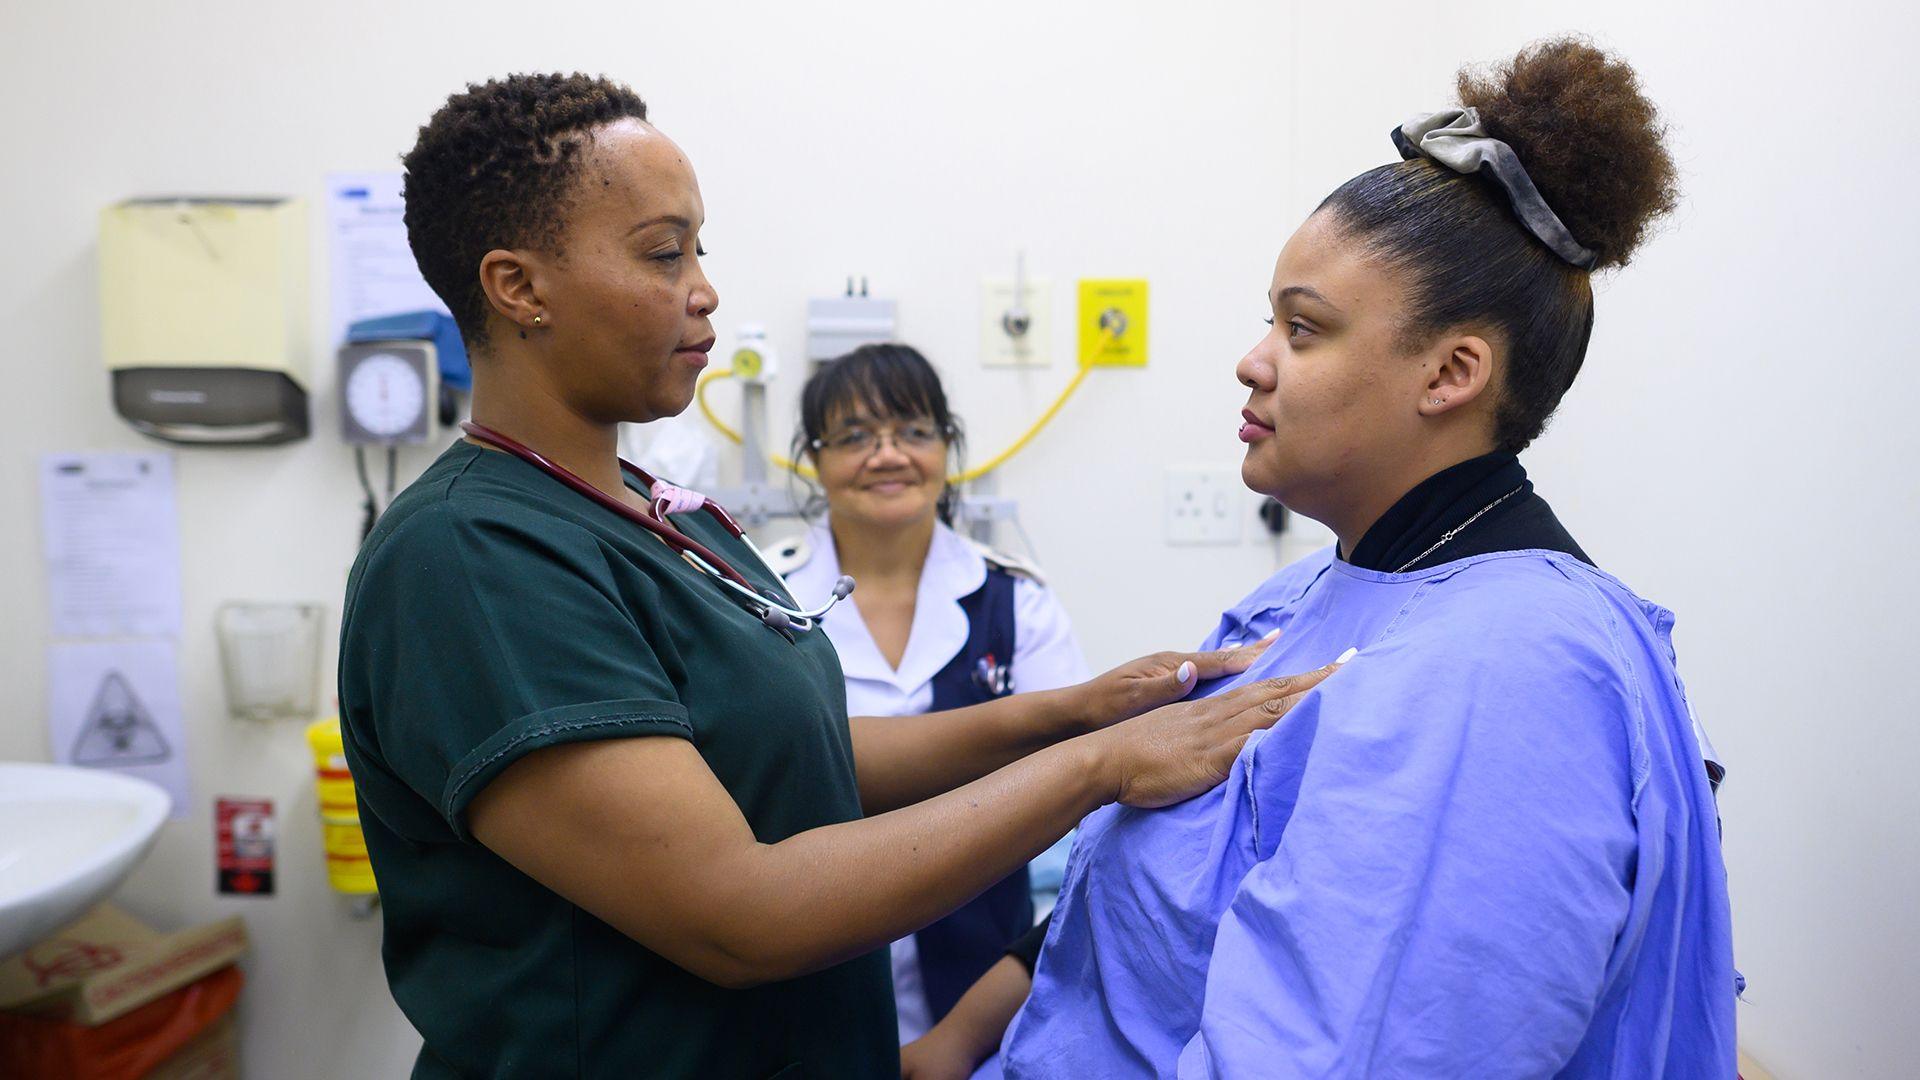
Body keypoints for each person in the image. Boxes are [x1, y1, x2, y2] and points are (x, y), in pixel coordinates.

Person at [335, 73, 1336, 1079]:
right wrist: (1101, 766)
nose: (704, 288)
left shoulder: (661, 519)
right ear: (519, 288)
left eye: (699, 249)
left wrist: (1072, 711)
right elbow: (739, 914)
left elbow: (787, 754)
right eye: (660, 252)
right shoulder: (472, 556)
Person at [911, 39, 1738, 1079]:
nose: (1254, 361)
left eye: (1304, 330)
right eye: (1272, 322)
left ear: (1450, 372)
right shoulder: (1303, 600)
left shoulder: (1510, 677)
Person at [780, 343, 1090, 1044]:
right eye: (855, 436)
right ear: (814, 458)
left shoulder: (1017, 604)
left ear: (947, 448)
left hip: (984, 1002)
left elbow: (1075, 808)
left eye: (914, 432)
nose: (887, 455)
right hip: (803, 980)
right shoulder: (761, 600)